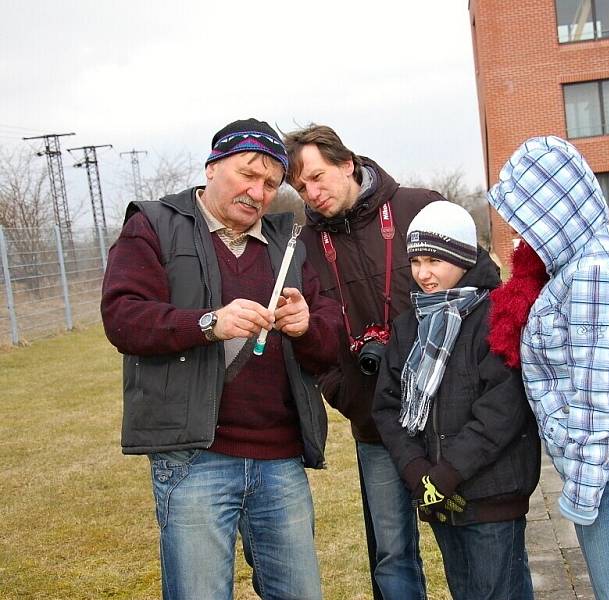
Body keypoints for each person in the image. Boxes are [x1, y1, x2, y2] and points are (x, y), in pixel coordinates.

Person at [101, 118, 341, 600]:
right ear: (212, 167)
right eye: (247, 174)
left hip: (280, 457)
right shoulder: (154, 225)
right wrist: (207, 323)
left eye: (271, 184)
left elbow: (332, 334)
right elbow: (123, 316)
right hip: (195, 457)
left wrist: (306, 324)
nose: (258, 192)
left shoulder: (288, 243)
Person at [487, 135, 609, 600]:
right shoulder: (583, 259)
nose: (520, 234)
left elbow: (599, 398)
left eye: (525, 217)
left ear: (552, 210)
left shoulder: (596, 272)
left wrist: (583, 489)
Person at [283, 124, 443, 600]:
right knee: (392, 553)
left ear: (347, 163)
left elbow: (481, 295)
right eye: (301, 188)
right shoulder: (304, 246)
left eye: (318, 176)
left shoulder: (420, 208)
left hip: (445, 415)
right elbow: (307, 334)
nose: (313, 194)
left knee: (469, 540)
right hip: (373, 420)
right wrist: (343, 391)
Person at [372, 201, 542, 600]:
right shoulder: (409, 323)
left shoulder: (496, 316)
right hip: (438, 495)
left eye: (434, 260)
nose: (423, 273)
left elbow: (502, 409)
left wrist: (450, 470)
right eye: (415, 261)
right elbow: (387, 404)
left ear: (463, 258)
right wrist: (417, 470)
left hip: (492, 496)